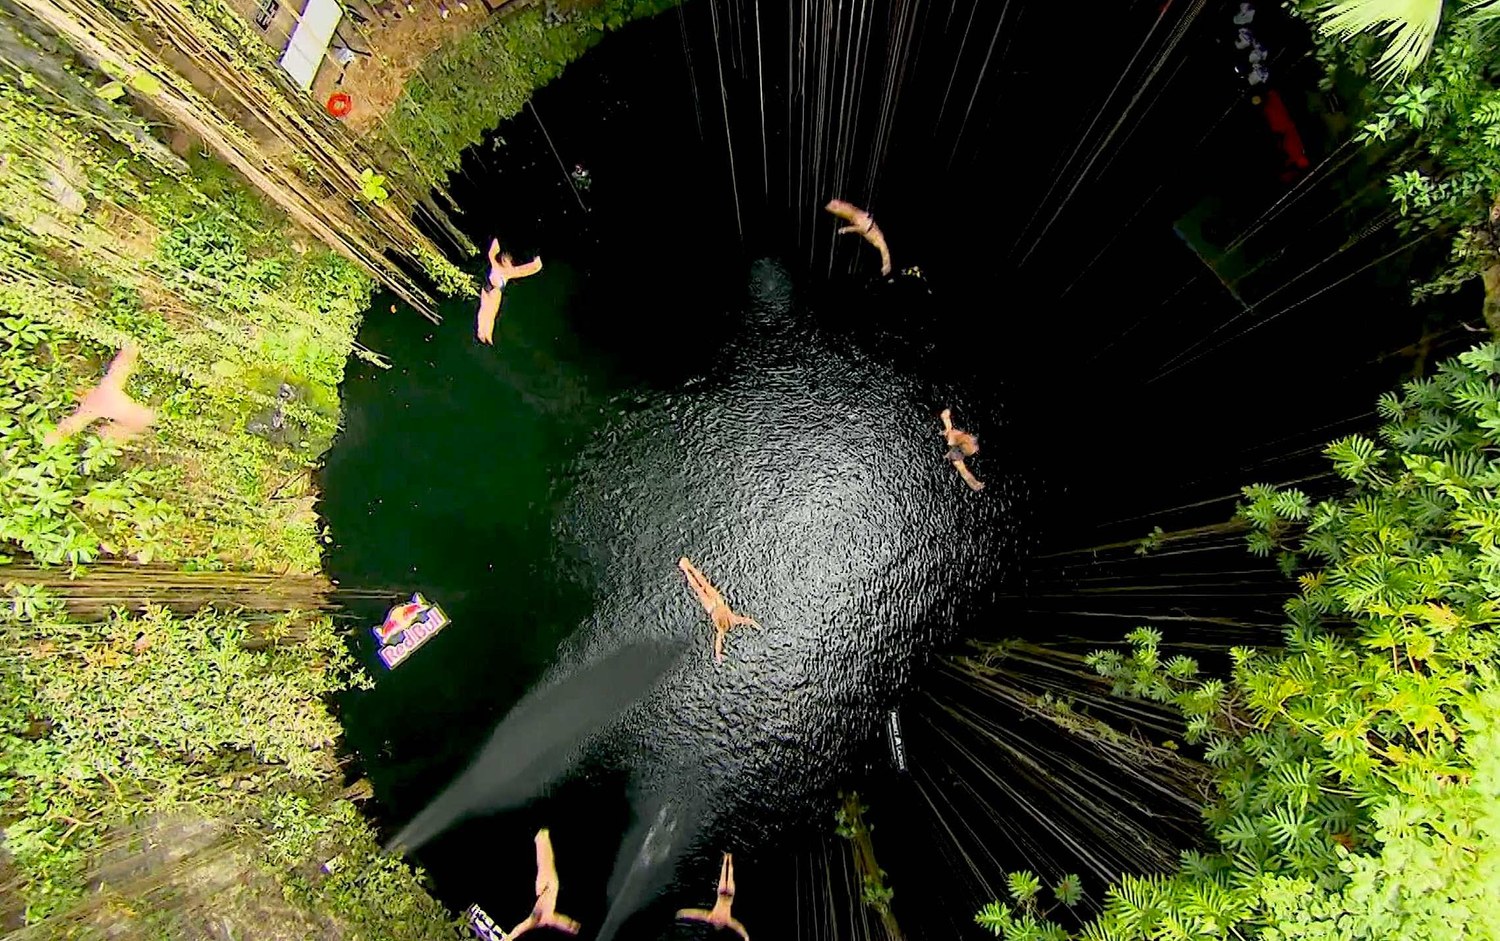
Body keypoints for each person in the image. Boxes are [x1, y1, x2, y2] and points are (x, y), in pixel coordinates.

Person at [45, 343, 156, 445]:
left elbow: (127, 358)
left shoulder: (103, 395)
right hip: (148, 416)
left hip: (149, 412)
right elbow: (72, 425)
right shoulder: (96, 404)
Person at [678, 558, 759, 663]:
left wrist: (755, 624)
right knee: (698, 588)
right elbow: (718, 641)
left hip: (718, 602)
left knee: (703, 582)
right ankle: (685, 567)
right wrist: (718, 654)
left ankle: (688, 565)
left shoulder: (733, 618)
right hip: (711, 607)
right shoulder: (724, 627)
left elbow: (746, 620)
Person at [508, 829, 581, 939]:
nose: (567, 922)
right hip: (548, 885)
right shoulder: (546, 917)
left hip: (545, 885)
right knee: (544, 849)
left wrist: (509, 937)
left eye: (568, 925)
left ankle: (541, 832)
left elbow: (521, 928)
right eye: (569, 923)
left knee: (543, 845)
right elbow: (521, 928)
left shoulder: (542, 920)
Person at [477, 238, 544, 345]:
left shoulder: (510, 272)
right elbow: (491, 253)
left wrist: (537, 263)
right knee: (484, 310)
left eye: (507, 260)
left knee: (491, 313)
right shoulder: (496, 265)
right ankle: (481, 332)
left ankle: (487, 334)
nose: (505, 261)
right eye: (504, 259)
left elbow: (526, 270)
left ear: (510, 262)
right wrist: (496, 241)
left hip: (495, 292)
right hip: (488, 288)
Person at [677, 853, 750, 941]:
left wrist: (684, 912)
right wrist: (746, 937)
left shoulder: (711, 917)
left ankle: (726, 858)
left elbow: (697, 914)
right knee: (730, 875)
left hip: (721, 893)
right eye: (720, 923)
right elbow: (738, 927)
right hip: (730, 894)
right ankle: (729, 858)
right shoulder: (728, 921)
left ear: (715, 924)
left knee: (723, 875)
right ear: (723, 925)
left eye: (717, 923)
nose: (718, 921)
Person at [824, 198, 892, 275]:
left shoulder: (878, 240)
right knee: (838, 207)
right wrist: (886, 265)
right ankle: (830, 204)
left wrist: (886, 264)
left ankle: (830, 204)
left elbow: (884, 250)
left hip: (862, 220)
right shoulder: (879, 241)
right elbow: (862, 229)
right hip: (863, 222)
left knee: (841, 208)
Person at [940, 408, 984, 491]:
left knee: (962, 469)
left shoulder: (955, 436)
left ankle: (975, 485)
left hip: (957, 443)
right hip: (956, 445)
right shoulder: (956, 438)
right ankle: (974, 485)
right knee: (961, 468)